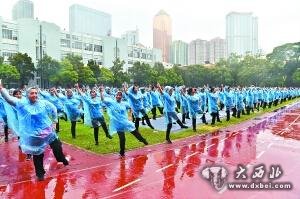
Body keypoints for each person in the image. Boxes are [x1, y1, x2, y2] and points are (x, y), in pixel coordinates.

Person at [0, 84, 69, 181]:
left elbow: (53, 108)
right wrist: (1, 89)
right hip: (35, 135)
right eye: (32, 93)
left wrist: (54, 121)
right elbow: (9, 99)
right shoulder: (22, 104)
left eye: (36, 93)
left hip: (48, 131)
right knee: (37, 154)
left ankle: (62, 159)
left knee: (57, 146)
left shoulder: (43, 103)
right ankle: (40, 174)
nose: (34, 95)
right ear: (27, 95)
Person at [99, 87, 148, 157]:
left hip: (125, 122)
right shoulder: (111, 103)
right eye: (117, 95)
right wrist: (101, 92)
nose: (118, 96)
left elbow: (131, 108)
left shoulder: (124, 104)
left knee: (135, 132)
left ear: (122, 97)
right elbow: (103, 100)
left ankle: (142, 140)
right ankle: (122, 152)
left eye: (120, 95)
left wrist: (130, 116)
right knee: (122, 138)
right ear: (115, 96)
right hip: (118, 123)